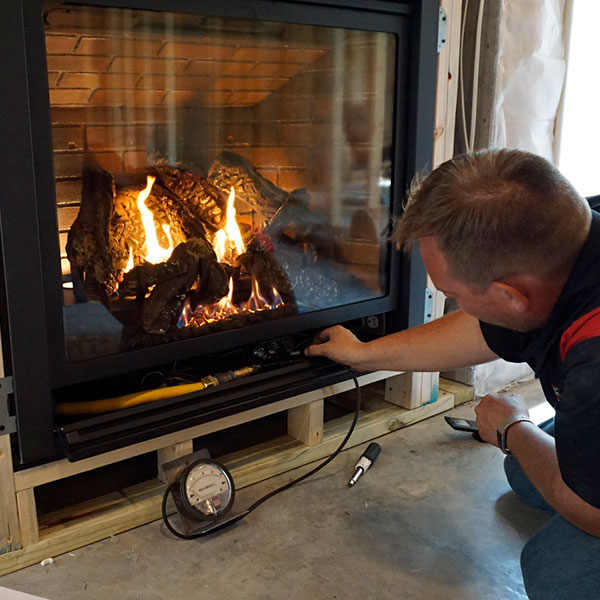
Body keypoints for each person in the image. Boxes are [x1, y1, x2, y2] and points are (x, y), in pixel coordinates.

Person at [305, 148, 600, 599]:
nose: (450, 302)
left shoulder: (591, 370)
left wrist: (514, 428)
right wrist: (363, 354)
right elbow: (484, 329)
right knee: (526, 474)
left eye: (452, 293)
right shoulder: (575, 237)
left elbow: (592, 512)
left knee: (555, 565)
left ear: (510, 296)